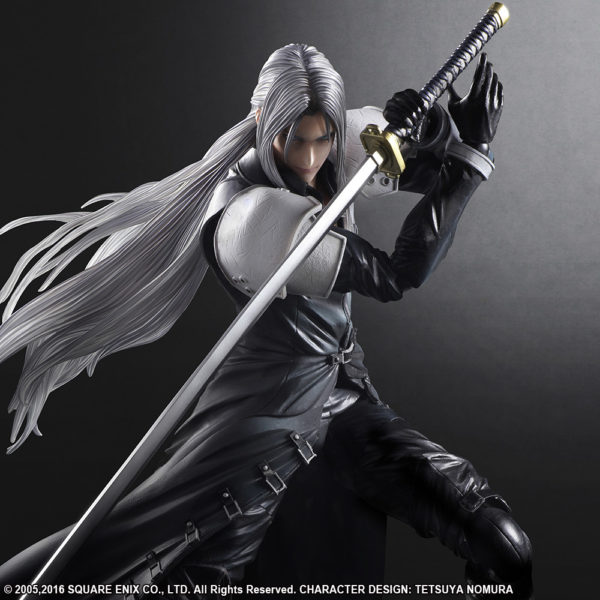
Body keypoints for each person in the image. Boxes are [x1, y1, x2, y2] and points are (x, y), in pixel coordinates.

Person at [0, 44, 531, 598]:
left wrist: (439, 133)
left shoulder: (330, 147)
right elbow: (399, 274)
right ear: (262, 120)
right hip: (264, 425)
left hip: (341, 400)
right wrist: (469, 159)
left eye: (323, 138)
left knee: (502, 542)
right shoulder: (250, 218)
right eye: (294, 140)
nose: (310, 159)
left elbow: (420, 172)